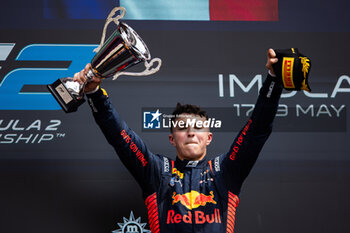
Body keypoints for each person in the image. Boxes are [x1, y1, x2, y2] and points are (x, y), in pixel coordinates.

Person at [73, 49, 282, 233]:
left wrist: (273, 79)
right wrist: (94, 93)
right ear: (172, 139)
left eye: (198, 128)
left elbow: (256, 130)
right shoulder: (157, 172)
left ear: (209, 138)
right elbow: (121, 137)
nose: (191, 132)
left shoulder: (224, 173)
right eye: (182, 128)